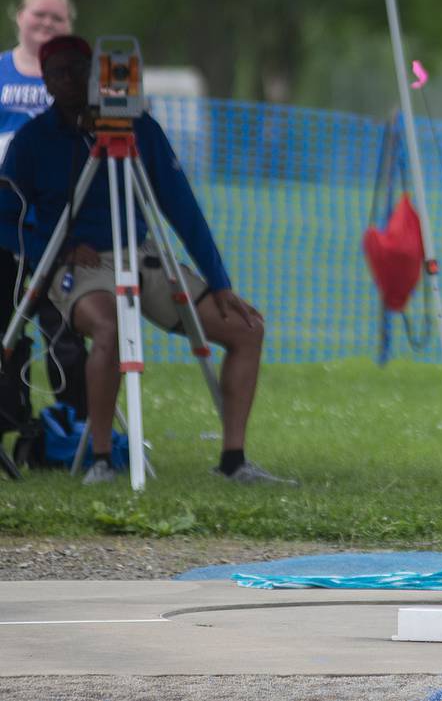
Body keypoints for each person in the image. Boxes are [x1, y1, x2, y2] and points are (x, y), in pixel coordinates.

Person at [0, 34, 290, 486]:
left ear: (98, 73)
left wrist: (219, 281)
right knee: (110, 328)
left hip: (143, 258)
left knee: (247, 329)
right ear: (46, 81)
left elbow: (182, 208)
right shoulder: (31, 141)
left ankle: (235, 460)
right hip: (79, 267)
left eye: (80, 68)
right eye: (59, 71)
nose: (71, 79)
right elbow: (7, 221)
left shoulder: (140, 128)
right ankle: (101, 459)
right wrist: (53, 252)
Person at [0, 0, 89, 418]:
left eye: (57, 18)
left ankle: (75, 422)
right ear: (18, 16)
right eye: (39, 15)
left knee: (63, 327)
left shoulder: (75, 84)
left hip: (57, 226)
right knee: (7, 322)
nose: (47, 24)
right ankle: (12, 416)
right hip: (6, 223)